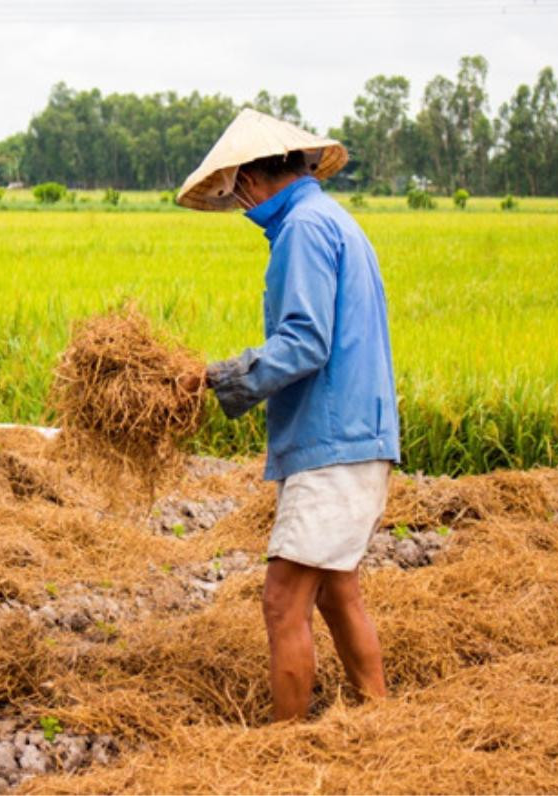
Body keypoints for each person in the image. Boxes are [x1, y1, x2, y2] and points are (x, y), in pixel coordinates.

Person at [176, 108, 400, 721]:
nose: (240, 203)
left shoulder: (303, 228)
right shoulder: (333, 221)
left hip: (335, 442)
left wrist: (217, 379)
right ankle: (376, 719)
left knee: (282, 601)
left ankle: (285, 749)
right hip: (361, 435)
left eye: (238, 188)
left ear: (253, 176)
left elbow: (304, 341)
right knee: (336, 590)